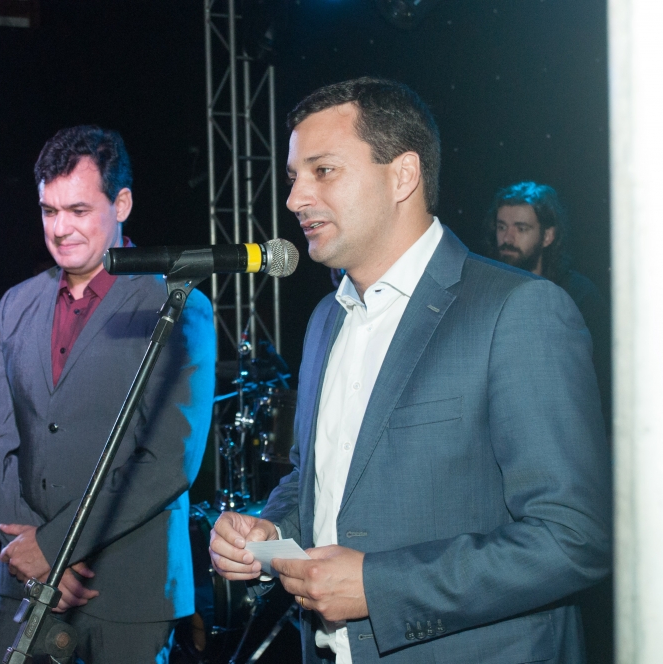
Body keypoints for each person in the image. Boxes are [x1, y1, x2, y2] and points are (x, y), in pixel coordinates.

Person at [209, 78, 610, 663]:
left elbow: (573, 538)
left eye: (323, 171)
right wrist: (271, 535)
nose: (295, 199)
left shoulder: (518, 310)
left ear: (403, 176)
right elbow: (316, 482)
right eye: (295, 177)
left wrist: (379, 586)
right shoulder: (326, 319)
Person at [0, 125, 215, 663]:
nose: (60, 229)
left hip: (130, 586)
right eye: (49, 211)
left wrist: (54, 549)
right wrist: (31, 556)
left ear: (121, 204)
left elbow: (169, 460)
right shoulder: (15, 304)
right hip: (25, 576)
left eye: (78, 210)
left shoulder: (176, 303)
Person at [487, 181, 611, 414]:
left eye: (521, 229)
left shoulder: (579, 295)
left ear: (547, 236)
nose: (507, 238)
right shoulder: (485, 293)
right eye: (502, 227)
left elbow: (603, 376)